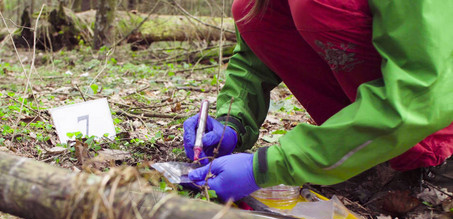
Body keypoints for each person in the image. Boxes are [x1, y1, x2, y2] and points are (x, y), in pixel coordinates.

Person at [183, 0, 453, 202]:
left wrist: (271, 165)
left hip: (432, 114)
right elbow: (254, 58)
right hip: (385, 119)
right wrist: (234, 120)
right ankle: (359, 148)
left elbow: (422, 87)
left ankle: (431, 153)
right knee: (253, 8)